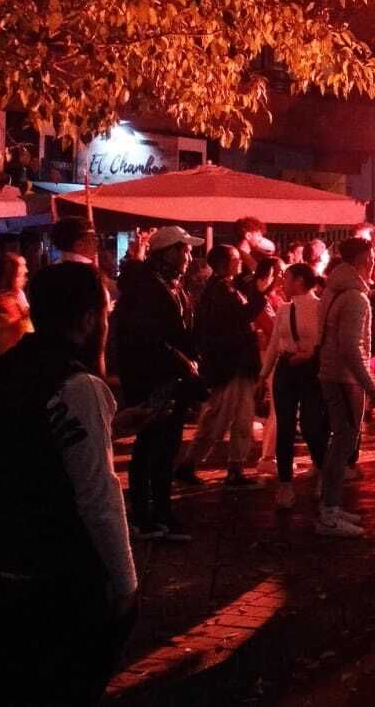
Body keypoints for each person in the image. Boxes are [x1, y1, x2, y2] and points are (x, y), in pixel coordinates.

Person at [0, 263, 139, 706]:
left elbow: (26, 444)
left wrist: (109, 426)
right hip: (60, 574)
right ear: (88, 319)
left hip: (0, 562)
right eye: (105, 313)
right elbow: (98, 497)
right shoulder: (77, 385)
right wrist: (126, 584)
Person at [113, 225, 204, 541]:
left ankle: (162, 511)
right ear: (168, 253)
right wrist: (182, 360)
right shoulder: (146, 287)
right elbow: (145, 338)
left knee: (167, 447)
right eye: (184, 250)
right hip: (152, 378)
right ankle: (144, 516)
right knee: (150, 445)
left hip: (173, 378)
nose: (189, 256)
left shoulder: (173, 285)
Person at [176, 245, 271, 488]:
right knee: (219, 417)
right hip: (231, 365)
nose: (239, 263)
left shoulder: (225, 288)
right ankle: (192, 465)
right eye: (235, 259)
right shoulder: (221, 290)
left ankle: (232, 467)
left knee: (239, 418)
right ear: (223, 263)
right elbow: (238, 320)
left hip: (236, 365)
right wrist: (262, 295)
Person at [314, 236, 375, 537]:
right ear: (362, 260)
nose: (374, 263)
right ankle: (329, 514)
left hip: (334, 373)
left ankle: (330, 505)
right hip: (344, 378)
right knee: (343, 442)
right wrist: (370, 386)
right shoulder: (355, 297)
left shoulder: (334, 289)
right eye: (371, 258)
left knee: (340, 442)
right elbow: (351, 346)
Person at [260, 263, 326, 508]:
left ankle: (323, 470)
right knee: (285, 426)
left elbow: (324, 341)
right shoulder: (284, 309)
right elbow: (274, 344)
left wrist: (309, 355)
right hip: (286, 369)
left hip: (311, 370)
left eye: (286, 278)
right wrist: (263, 376)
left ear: (299, 281)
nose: (282, 283)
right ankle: (285, 484)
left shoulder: (320, 307)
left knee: (311, 424)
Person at [0, 253, 33, 354]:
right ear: (9, 277)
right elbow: (18, 333)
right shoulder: (4, 301)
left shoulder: (19, 294)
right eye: (21, 275)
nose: (26, 279)